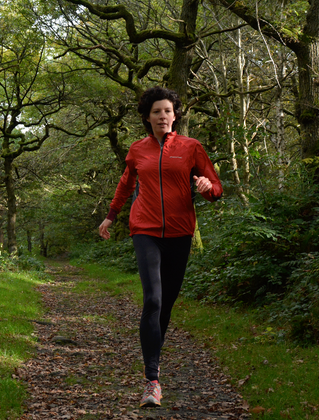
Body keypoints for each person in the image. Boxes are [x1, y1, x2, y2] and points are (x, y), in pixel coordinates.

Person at [98, 86, 222, 408]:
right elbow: (126, 183)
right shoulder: (137, 150)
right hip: (146, 230)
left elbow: (216, 187)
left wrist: (208, 188)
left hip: (181, 233)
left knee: (165, 306)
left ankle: (153, 358)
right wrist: (111, 216)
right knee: (152, 299)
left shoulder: (191, 148)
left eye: (167, 111)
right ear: (147, 117)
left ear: (175, 114)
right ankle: (152, 380)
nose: (163, 116)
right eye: (156, 112)